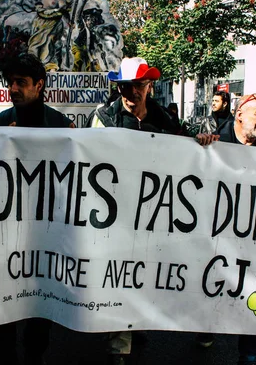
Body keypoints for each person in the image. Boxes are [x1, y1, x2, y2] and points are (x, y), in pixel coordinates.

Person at [88, 57, 180, 365]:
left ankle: (133, 323)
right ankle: (118, 346)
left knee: (142, 275)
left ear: (149, 85)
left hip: (152, 216)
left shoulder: (165, 120)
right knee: (117, 275)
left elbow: (186, 156)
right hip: (114, 215)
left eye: (138, 86)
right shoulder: (103, 116)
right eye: (124, 86)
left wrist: (204, 141)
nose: (130, 93)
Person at [0, 53, 73, 365]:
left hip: (43, 237)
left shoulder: (62, 125)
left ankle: (34, 356)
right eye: (10, 82)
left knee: (40, 307)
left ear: (39, 84)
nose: (13, 88)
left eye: (21, 82)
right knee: (1, 310)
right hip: (4, 236)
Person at [195, 93, 256, 365]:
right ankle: (206, 326)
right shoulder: (216, 140)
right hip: (216, 233)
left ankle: (249, 353)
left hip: (252, 235)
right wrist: (201, 147)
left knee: (253, 290)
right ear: (240, 115)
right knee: (212, 286)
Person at [27, 0, 74, 71]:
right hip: (41, 22)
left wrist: (70, 22)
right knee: (34, 45)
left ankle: (46, 68)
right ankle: (32, 68)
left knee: (48, 44)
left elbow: (66, 13)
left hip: (54, 25)